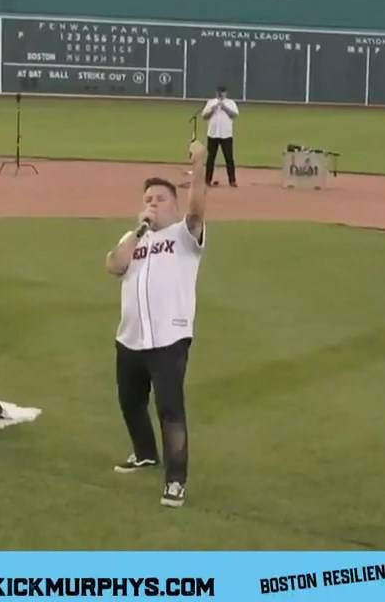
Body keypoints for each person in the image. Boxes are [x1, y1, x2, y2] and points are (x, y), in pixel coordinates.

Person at [105, 139, 209, 508]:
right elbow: (114, 265)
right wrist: (138, 231)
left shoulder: (184, 235)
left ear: (173, 205)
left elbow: (197, 209)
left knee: (170, 409)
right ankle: (146, 453)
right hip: (130, 338)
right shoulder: (134, 238)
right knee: (130, 401)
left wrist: (200, 165)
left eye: (160, 199)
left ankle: (176, 480)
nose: (153, 203)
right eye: (148, 199)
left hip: (169, 338)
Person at [199, 85, 239, 187]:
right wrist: (212, 109)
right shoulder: (211, 102)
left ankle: (232, 180)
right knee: (211, 158)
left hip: (226, 134)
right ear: (216, 93)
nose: (221, 94)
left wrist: (225, 108)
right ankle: (207, 180)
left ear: (226, 93)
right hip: (213, 134)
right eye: (219, 92)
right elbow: (204, 116)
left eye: (223, 92)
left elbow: (235, 115)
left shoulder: (231, 103)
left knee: (229, 158)